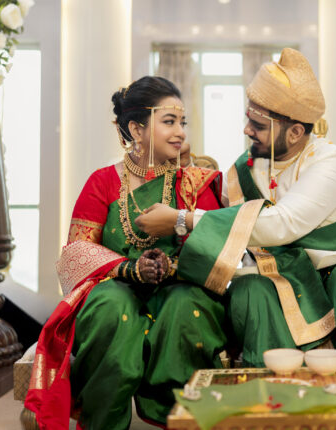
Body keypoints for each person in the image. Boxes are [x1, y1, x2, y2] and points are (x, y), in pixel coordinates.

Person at [135, 49, 336, 430]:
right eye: (249, 120)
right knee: (250, 291)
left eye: (258, 125)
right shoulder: (247, 169)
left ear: (295, 132)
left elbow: (281, 224)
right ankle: (275, 414)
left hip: (333, 278)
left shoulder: (331, 163)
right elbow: (221, 214)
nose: (247, 131)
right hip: (273, 280)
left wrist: (182, 220)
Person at [24, 76, 227, 430]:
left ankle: (181, 420)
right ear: (136, 129)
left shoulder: (195, 183)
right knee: (110, 306)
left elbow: (218, 251)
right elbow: (76, 256)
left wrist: (170, 265)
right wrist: (131, 269)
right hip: (117, 286)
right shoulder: (102, 182)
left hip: (180, 287)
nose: (180, 132)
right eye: (169, 122)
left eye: (182, 122)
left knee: (185, 309)